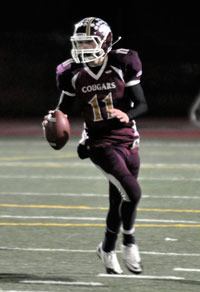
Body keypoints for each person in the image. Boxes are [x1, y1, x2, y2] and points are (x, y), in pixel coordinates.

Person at [44, 17, 148, 274]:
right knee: (132, 193)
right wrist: (53, 119)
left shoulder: (123, 63)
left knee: (118, 200)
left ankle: (107, 248)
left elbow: (143, 104)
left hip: (128, 139)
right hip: (99, 143)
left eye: (89, 41)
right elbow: (63, 110)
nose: (83, 48)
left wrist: (128, 116)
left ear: (105, 42)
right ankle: (130, 242)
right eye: (79, 43)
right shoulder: (71, 73)